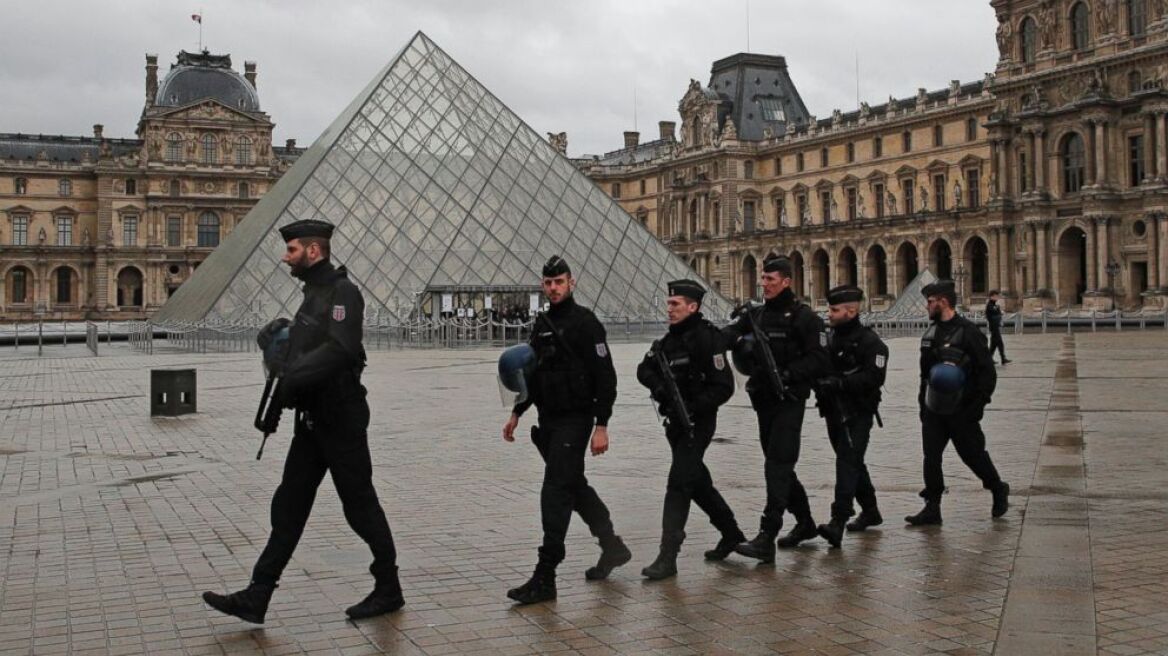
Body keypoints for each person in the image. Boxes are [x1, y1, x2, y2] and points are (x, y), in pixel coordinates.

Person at [203, 219, 403, 623]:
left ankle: (388, 587)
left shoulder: (342, 291)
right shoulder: (313, 293)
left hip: (341, 419)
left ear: (314, 251)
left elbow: (342, 349)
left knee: (360, 507)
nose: (285, 256)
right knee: (288, 506)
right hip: (312, 420)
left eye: (292, 249)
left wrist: (294, 374)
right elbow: (311, 344)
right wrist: (282, 341)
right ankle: (258, 594)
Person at [501, 255, 630, 605]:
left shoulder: (586, 323)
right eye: (548, 283)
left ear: (571, 283)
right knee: (574, 486)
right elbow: (534, 374)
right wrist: (517, 412)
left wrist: (601, 425)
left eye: (559, 282)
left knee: (555, 491)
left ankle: (546, 576)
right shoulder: (541, 323)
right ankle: (613, 547)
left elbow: (606, 377)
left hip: (576, 419)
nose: (554, 288)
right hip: (550, 419)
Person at [723, 255, 831, 562]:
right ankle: (806, 523)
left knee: (777, 466)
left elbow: (820, 359)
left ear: (786, 281)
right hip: (764, 401)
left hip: (790, 399)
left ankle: (766, 536)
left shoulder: (805, 318)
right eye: (763, 278)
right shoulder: (755, 315)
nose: (764, 284)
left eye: (771, 279)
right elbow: (729, 333)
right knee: (779, 463)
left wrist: (788, 374)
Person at [635, 279, 745, 580]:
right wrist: (660, 388)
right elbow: (643, 370)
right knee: (696, 481)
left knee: (679, 484)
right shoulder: (667, 343)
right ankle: (732, 533)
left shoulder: (709, 340)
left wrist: (694, 405)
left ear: (693, 307)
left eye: (675, 304)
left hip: (698, 423)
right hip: (674, 423)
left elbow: (724, 387)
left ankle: (667, 556)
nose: (669, 309)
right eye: (669, 303)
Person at [907, 280, 1010, 526]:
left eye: (930, 302)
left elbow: (987, 372)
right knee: (931, 456)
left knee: (972, 455)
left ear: (943, 301)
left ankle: (997, 487)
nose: (927, 306)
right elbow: (925, 375)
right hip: (934, 409)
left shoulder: (968, 332)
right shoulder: (930, 334)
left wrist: (978, 405)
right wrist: (923, 406)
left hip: (962, 409)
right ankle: (932, 507)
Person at [813, 285, 888, 548]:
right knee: (852, 461)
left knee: (847, 461)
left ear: (851, 311)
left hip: (858, 412)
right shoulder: (829, 337)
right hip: (833, 410)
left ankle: (838, 521)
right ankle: (870, 510)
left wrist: (840, 384)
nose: (828, 313)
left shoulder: (871, 343)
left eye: (834, 310)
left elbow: (874, 377)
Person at [985, 290, 1010, 365]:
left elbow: (998, 313)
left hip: (995, 327)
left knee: (994, 344)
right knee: (999, 343)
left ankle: (990, 359)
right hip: (994, 327)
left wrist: (999, 313)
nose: (997, 297)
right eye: (996, 296)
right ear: (992, 296)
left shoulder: (994, 305)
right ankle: (1003, 359)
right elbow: (995, 315)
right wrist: (999, 313)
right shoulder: (989, 305)